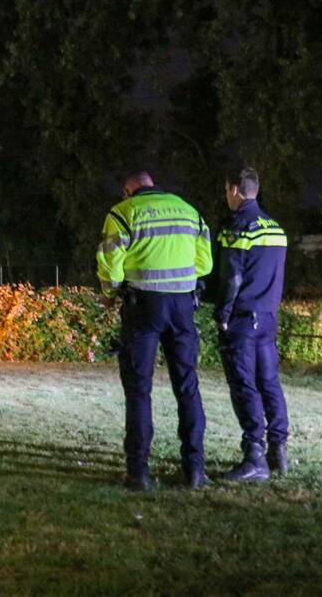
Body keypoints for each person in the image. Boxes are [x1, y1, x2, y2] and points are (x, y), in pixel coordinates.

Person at [96, 171, 213, 491]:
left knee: (138, 389)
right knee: (187, 386)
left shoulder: (123, 212)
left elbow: (110, 260)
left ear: (127, 191)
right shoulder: (188, 211)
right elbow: (205, 264)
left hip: (143, 306)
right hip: (182, 308)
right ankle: (194, 470)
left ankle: (139, 472)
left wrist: (110, 291)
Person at [216, 167, 290, 481]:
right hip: (269, 317)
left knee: (244, 386)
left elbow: (232, 277)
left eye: (226, 191)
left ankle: (254, 457)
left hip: (244, 320)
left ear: (234, 190)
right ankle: (278, 451)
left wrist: (223, 312)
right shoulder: (276, 229)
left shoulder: (238, 228)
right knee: (269, 383)